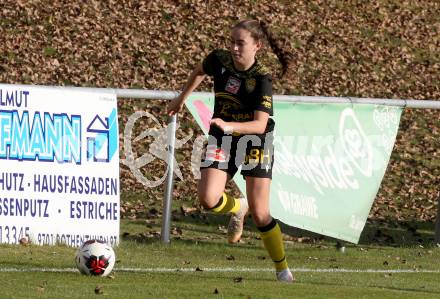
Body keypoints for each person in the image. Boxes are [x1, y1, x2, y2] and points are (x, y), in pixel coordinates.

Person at [167, 19, 294, 283]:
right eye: (232, 42)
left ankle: (282, 268)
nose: (234, 48)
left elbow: (260, 125)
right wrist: (182, 98)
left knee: (261, 215)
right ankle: (238, 206)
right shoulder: (220, 60)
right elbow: (199, 71)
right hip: (222, 137)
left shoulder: (261, 79)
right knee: (207, 199)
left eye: (241, 43)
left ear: (257, 46)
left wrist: (228, 125)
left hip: (255, 141)